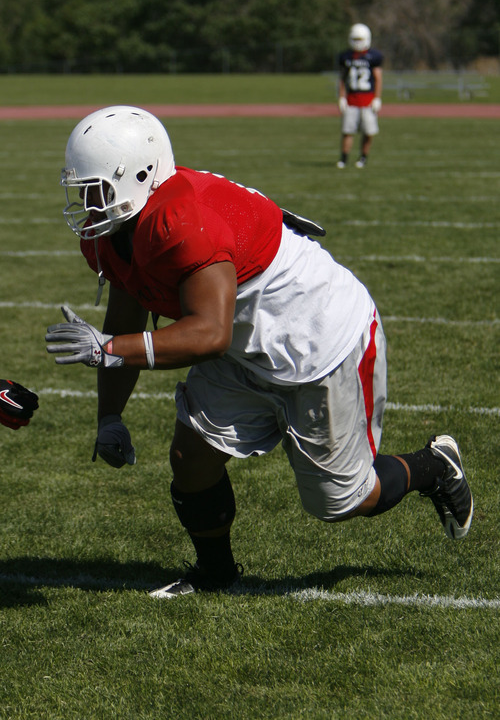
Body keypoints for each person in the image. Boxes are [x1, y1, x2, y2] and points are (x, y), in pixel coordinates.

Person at [45, 105, 473, 599]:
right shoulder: (115, 234)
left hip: (315, 338)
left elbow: (208, 334)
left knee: (343, 501)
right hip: (246, 344)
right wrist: (109, 416)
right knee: (191, 457)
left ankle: (435, 466)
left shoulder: (180, 220)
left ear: (140, 175)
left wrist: (109, 350)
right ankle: (216, 575)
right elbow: (126, 313)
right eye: (82, 190)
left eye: (97, 190)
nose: (87, 203)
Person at [337, 23, 383, 169]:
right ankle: (344, 159)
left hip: (368, 100)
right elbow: (342, 78)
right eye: (355, 39)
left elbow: (378, 78)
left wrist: (377, 98)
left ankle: (363, 157)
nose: (357, 43)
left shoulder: (373, 56)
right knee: (347, 131)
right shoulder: (345, 56)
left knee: (368, 132)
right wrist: (341, 97)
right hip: (351, 99)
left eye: (360, 39)